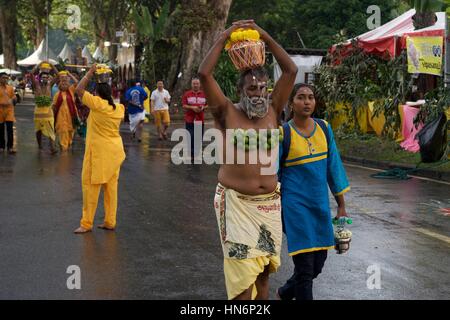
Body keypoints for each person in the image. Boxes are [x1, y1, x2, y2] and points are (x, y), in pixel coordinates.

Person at [198, 20, 297, 300]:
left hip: (269, 206)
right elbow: (204, 74)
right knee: (243, 280)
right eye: (252, 90)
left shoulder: (274, 108)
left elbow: (290, 69)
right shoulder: (225, 112)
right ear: (241, 91)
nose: (259, 93)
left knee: (264, 274)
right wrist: (225, 35)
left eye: (263, 88)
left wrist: (264, 35)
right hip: (236, 206)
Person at [277, 83, 350, 300]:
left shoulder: (324, 129)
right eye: (301, 97)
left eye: (310, 97)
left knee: (317, 266)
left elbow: (333, 169)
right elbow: (273, 174)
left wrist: (342, 205)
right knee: (306, 268)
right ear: (292, 103)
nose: (307, 101)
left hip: (319, 207)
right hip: (294, 209)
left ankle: (285, 292)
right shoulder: (284, 133)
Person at [73, 64, 126, 234]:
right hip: (115, 153)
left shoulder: (96, 104)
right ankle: (110, 221)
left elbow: (79, 89)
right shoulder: (119, 108)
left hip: (98, 153)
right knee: (111, 189)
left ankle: (86, 224)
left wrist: (89, 73)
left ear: (97, 93)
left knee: (90, 187)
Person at [31, 62, 58, 154]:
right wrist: (38, 65)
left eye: (46, 77)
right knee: (38, 130)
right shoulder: (36, 85)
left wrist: (52, 66)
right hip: (38, 113)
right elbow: (31, 74)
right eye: (43, 77)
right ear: (40, 78)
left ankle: (52, 147)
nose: (45, 78)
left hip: (48, 112)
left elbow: (58, 75)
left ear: (49, 78)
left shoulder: (50, 85)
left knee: (51, 129)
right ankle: (40, 145)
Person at [182, 77, 208, 162]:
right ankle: (191, 154)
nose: (195, 85)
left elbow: (209, 104)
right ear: (191, 84)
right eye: (194, 83)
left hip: (200, 119)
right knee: (190, 136)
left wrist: (203, 107)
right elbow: (184, 105)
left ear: (200, 84)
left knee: (198, 137)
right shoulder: (187, 94)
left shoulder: (205, 94)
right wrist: (192, 108)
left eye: (197, 83)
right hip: (189, 119)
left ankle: (196, 153)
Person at [53, 71, 79, 151]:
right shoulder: (57, 94)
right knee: (63, 134)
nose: (64, 84)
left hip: (71, 118)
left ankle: (65, 148)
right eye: (62, 84)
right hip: (61, 119)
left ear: (68, 85)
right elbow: (54, 106)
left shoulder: (71, 91)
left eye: (65, 83)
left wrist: (69, 74)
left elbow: (77, 83)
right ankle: (64, 156)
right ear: (60, 85)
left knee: (70, 135)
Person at [0, 72, 17, 154]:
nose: (5, 79)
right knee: (0, 129)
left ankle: (10, 147)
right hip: (0, 111)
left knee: (10, 129)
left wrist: (13, 99)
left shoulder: (10, 88)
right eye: (3, 77)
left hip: (9, 111)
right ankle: (1, 146)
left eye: (6, 78)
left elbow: (14, 96)